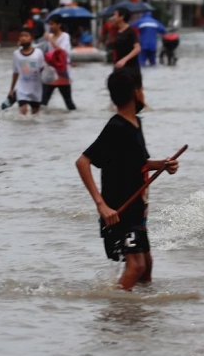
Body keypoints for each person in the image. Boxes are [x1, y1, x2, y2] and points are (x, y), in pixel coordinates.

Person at [75, 67, 180, 291]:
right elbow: (82, 162)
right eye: (142, 88)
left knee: (147, 265)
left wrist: (163, 164)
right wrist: (101, 205)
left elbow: (138, 163)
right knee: (136, 266)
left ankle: (137, 315)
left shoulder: (135, 124)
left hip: (137, 211)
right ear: (136, 92)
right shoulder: (116, 127)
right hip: (118, 212)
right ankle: (115, 313)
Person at [42, 14, 76, 110]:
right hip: (50, 72)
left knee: (68, 102)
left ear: (59, 25)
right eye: (49, 24)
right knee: (43, 101)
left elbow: (63, 52)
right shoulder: (50, 37)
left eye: (52, 24)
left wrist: (50, 39)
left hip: (62, 72)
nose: (50, 27)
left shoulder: (65, 36)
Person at [9, 28, 45, 115]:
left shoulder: (38, 53)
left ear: (31, 38)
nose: (23, 38)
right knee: (23, 113)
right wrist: (11, 89)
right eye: (21, 36)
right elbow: (15, 72)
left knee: (35, 114)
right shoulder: (16, 54)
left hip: (36, 89)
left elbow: (42, 69)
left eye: (26, 35)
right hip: (22, 89)